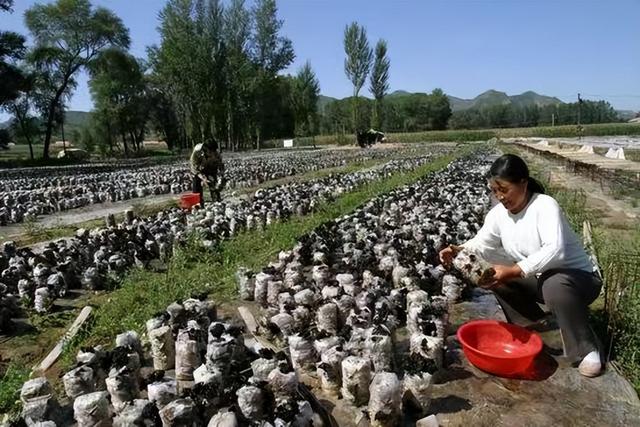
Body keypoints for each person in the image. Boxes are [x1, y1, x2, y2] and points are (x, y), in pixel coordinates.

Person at [439, 154, 603, 377]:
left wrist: (515, 270)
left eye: (504, 189)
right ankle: (532, 322)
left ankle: (586, 349)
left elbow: (556, 250)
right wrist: (457, 250)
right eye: (494, 190)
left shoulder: (544, 206)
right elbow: (481, 244)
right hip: (542, 280)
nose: (499, 196)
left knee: (553, 284)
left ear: (523, 183)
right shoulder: (498, 215)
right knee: (491, 274)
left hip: (579, 281)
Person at [190, 139, 225, 205]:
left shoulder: (216, 154)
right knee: (196, 182)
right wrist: (203, 178)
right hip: (199, 168)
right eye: (211, 151)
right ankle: (197, 202)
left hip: (211, 167)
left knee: (213, 183)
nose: (213, 153)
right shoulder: (197, 152)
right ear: (206, 149)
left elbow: (220, 165)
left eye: (214, 151)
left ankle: (216, 200)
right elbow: (194, 168)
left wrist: (221, 175)